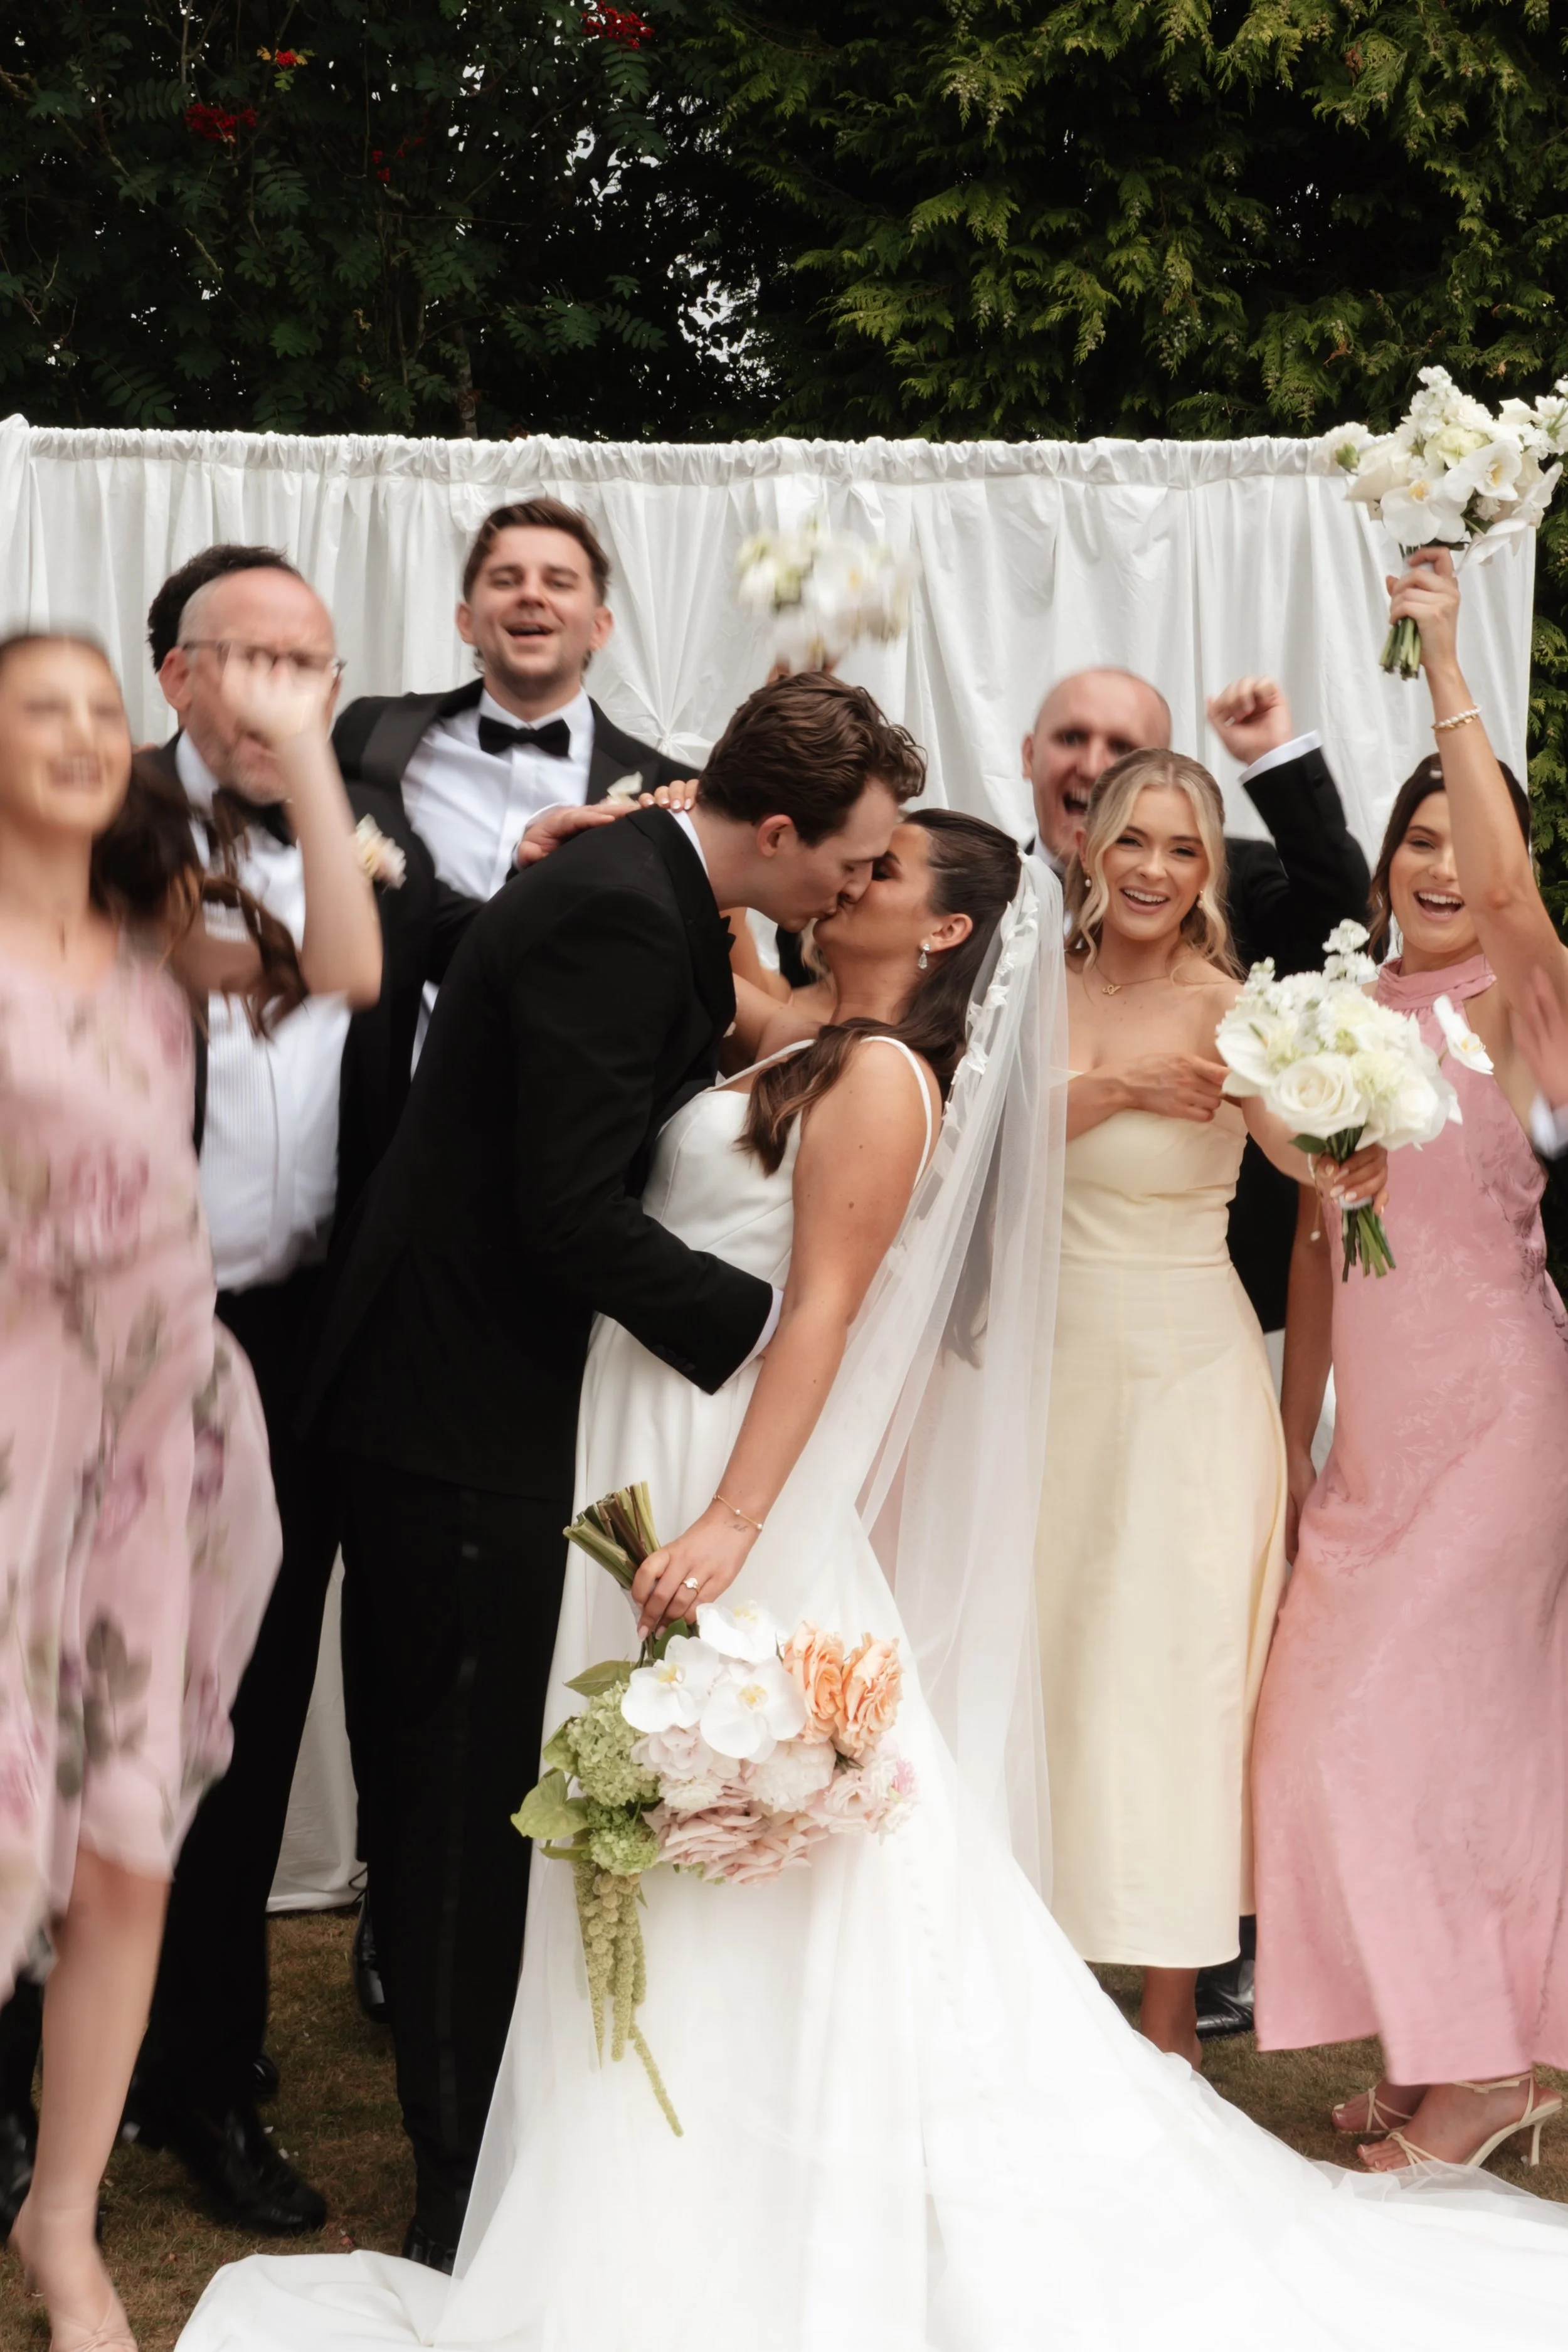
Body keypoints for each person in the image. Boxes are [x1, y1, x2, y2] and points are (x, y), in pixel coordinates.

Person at [183, 716, 1568, 2352]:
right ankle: (673, 2138)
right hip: (664, 1442)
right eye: (857, 842)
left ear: (942, 926)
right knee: (734, 1844)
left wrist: (732, 1518)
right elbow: (711, 921)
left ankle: (759, 2159)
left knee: (785, 1837)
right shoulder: (805, 1035)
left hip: (729, 1477)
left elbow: (820, 1319)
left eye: (893, 859)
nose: (858, 858)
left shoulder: (880, 1082)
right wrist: (600, 839)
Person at [297, 669, 924, 2269]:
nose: (853, 889)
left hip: (520, 1406)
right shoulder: (619, 912)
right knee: (449, 1807)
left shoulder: (648, 879)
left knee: (483, 1773)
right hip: (456, 1409)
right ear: (775, 833)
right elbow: (561, 1212)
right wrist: (764, 1328)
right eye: (847, 862)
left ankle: (490, 2132)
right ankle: (455, 2184)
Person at [0, 630, 305, 2352]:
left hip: (164, 1437)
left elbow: (335, 954)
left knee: (125, 1856)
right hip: (13, 1426)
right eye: (34, 707)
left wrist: (306, 757)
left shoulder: (152, 939)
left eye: (98, 709)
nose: (76, 733)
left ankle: (64, 2226)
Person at [1253, 544, 1568, 2174]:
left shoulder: (1533, 1007)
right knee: (1333, 1732)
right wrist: (1290, 1439)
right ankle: (1449, 2042)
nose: (1442, 861)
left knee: (1426, 1728)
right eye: (1416, 835)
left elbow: (1515, 898)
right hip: (1371, 1440)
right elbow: (1319, 1248)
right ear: (1378, 863)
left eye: (1465, 835)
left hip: (1501, 1412)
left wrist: (1440, 650)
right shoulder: (1334, 1006)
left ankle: (1481, 2077)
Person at [1025, 664, 1369, 2040]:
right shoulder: (1022, 991)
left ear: (1208, 866)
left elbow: (1314, 1166)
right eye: (1134, 840)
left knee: (1172, 1668)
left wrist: (1335, 1131)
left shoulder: (1240, 1009)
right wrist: (1103, 1089)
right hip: (1043, 1374)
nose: (1156, 867)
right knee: (1044, 1653)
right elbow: (967, 1165)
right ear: (1090, 850)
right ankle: (1031, 1981)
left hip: (1185, 1376)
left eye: (1184, 845)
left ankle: (1167, 2013)